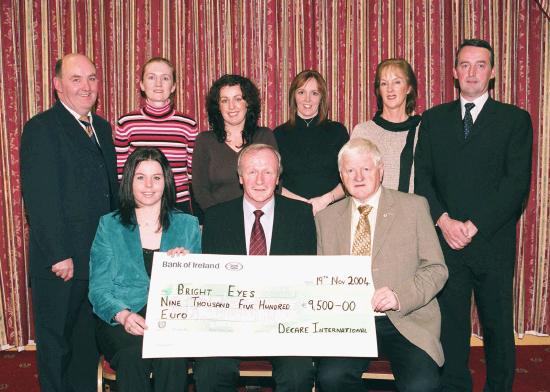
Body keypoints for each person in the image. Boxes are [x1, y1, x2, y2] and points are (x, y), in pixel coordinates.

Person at [414, 39, 533, 392]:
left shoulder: (514, 120)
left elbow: (516, 186)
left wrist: (474, 225)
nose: (472, 72)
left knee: (497, 326)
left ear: (492, 72)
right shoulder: (433, 120)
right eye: (465, 65)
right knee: (451, 327)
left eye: (480, 65)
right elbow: (423, 178)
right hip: (446, 242)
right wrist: (444, 222)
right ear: (454, 72)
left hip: (492, 242)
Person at [315, 138, 448, 392]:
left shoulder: (414, 207)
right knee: (330, 379)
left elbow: (436, 270)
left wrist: (399, 296)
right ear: (341, 176)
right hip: (349, 322)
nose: (358, 176)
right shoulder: (326, 219)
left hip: (406, 318)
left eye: (366, 168)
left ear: (381, 170)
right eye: (350, 170)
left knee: (422, 385)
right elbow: (322, 278)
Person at [19, 53, 118, 392]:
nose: (85, 86)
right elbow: (40, 199)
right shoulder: (41, 128)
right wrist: (60, 254)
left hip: (97, 262)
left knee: (86, 349)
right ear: (57, 85)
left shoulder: (102, 129)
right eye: (76, 79)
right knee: (56, 349)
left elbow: (109, 194)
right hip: (61, 264)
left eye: (91, 78)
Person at [193, 143, 316, 392]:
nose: (260, 180)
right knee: (209, 372)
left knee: (298, 373)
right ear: (240, 177)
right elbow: (210, 282)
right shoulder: (217, 218)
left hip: (284, 323)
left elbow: (307, 279)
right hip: (230, 323)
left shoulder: (301, 215)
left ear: (278, 177)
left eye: (268, 172)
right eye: (251, 172)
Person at [89, 147, 201, 392]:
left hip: (171, 319)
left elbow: (199, 290)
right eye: (140, 177)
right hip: (121, 318)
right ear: (129, 181)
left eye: (156, 178)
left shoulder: (187, 225)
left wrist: (189, 266)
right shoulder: (109, 225)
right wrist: (123, 315)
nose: (149, 185)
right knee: (132, 355)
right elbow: (98, 289)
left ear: (167, 182)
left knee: (171, 353)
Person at [115, 57, 198, 214]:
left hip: (177, 205)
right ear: (142, 85)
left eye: (165, 78)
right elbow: (121, 173)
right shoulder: (127, 123)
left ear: (173, 86)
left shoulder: (188, 124)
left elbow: (192, 173)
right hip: (138, 204)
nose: (158, 84)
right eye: (151, 77)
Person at [192, 74, 277, 212]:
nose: (231, 106)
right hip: (219, 220)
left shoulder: (265, 136)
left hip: (259, 219)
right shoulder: (204, 141)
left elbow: (275, 183)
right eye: (225, 100)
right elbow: (200, 190)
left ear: (248, 103)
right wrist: (220, 218)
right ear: (218, 106)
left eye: (238, 99)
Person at [274, 70, 349, 214]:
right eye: (301, 92)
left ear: (322, 98)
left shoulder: (338, 132)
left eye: (314, 93)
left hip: (332, 211)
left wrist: (325, 200)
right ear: (293, 96)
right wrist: (303, 204)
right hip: (291, 212)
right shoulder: (278, 134)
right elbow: (272, 180)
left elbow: (349, 177)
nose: (307, 99)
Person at [351, 58, 420, 192]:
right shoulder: (363, 132)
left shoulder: (422, 130)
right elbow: (353, 182)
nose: (390, 89)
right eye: (384, 83)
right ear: (379, 90)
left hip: (414, 210)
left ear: (409, 88)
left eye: (397, 82)